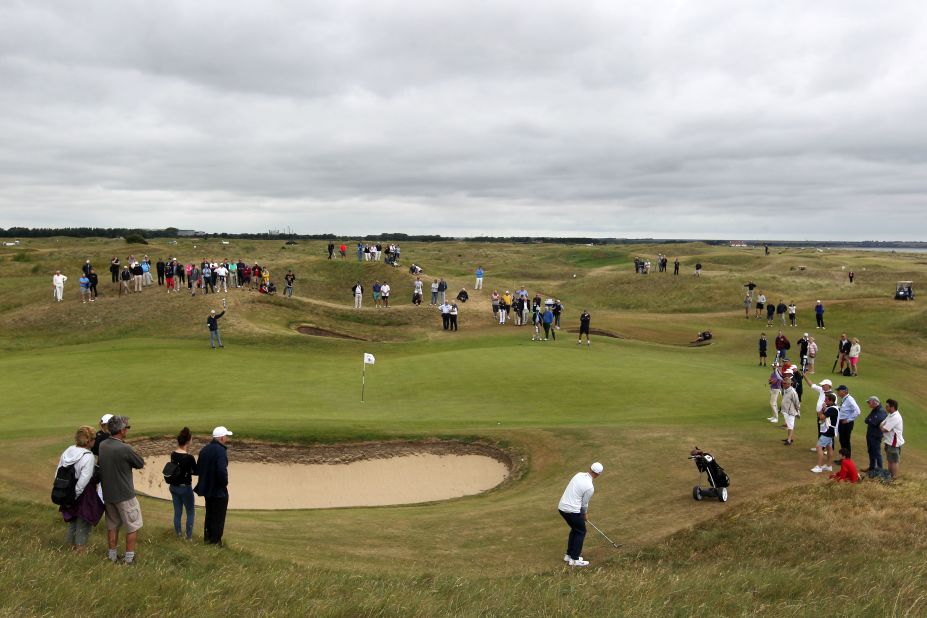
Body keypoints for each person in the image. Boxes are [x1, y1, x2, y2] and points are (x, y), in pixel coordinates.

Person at [98, 415, 145, 564]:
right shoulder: (125, 448)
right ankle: (129, 559)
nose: (127, 430)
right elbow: (140, 463)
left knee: (112, 526)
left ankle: (112, 556)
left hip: (109, 494)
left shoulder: (103, 445)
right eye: (126, 428)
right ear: (121, 431)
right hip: (125, 494)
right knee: (132, 526)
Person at [57, 425, 104, 551]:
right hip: (82, 494)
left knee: (73, 521)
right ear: (89, 441)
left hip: (66, 490)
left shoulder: (69, 450)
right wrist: (73, 497)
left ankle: (69, 548)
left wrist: (66, 496)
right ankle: (79, 552)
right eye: (94, 439)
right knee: (83, 522)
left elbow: (58, 473)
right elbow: (84, 481)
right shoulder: (88, 456)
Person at [557, 462, 603, 567]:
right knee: (581, 531)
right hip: (572, 510)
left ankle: (569, 556)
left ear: (590, 468)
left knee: (575, 529)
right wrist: (585, 514)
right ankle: (574, 560)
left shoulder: (578, 474)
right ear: (598, 474)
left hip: (562, 508)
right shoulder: (590, 487)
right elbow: (584, 503)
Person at [195, 426, 232, 546]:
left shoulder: (204, 449)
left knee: (210, 514)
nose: (226, 438)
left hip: (208, 490)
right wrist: (224, 482)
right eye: (226, 436)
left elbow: (198, 468)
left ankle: (208, 539)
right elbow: (222, 471)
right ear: (221, 438)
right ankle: (216, 541)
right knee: (218, 517)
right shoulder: (221, 451)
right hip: (218, 490)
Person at [168, 427, 198, 540]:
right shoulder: (189, 457)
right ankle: (188, 537)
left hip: (173, 487)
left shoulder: (173, 454)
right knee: (190, 512)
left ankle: (179, 535)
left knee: (177, 512)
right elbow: (196, 471)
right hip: (185, 488)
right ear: (188, 441)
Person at [811, 392, 838, 473]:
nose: (824, 401)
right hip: (830, 430)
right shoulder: (832, 408)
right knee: (829, 447)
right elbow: (819, 415)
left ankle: (819, 466)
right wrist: (822, 411)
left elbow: (821, 417)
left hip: (828, 431)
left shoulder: (831, 409)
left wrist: (823, 409)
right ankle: (829, 466)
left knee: (819, 447)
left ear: (831, 401)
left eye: (826, 400)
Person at [834, 385, 860, 463]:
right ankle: (843, 459)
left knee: (845, 441)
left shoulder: (850, 399)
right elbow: (844, 409)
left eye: (839, 391)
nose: (837, 392)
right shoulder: (845, 399)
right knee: (842, 440)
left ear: (844, 391)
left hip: (846, 424)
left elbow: (857, 411)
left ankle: (847, 459)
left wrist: (848, 420)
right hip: (842, 423)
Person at [862, 396, 887, 474]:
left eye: (869, 402)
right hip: (870, 434)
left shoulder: (881, 411)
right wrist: (870, 420)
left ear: (875, 402)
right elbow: (866, 420)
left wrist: (870, 420)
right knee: (871, 451)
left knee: (876, 452)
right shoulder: (875, 410)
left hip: (876, 435)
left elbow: (874, 422)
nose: (868, 404)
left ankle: (880, 470)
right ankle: (872, 467)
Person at [881, 399, 904, 480]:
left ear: (892, 407)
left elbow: (884, 429)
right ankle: (890, 477)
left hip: (893, 443)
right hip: (889, 441)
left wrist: (882, 426)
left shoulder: (896, 417)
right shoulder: (890, 415)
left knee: (893, 461)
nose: (885, 408)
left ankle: (894, 478)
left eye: (887, 406)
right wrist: (882, 426)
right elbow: (882, 424)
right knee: (890, 460)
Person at [780, 373, 800, 446]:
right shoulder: (786, 390)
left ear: (789, 384)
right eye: (783, 383)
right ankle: (789, 438)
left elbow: (796, 403)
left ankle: (789, 440)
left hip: (791, 412)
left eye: (784, 383)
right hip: (786, 411)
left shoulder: (793, 392)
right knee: (789, 425)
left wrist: (797, 412)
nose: (783, 384)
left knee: (791, 426)